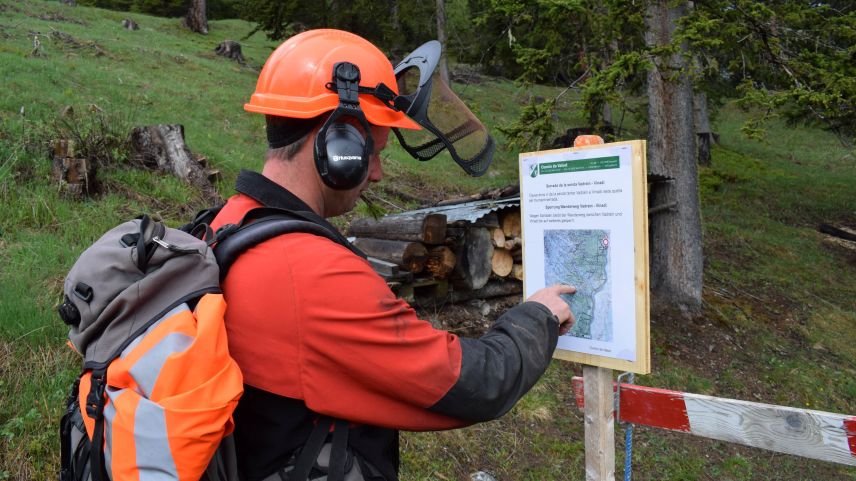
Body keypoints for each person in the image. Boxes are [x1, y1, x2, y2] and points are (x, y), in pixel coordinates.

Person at [209, 29, 576, 481]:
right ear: (338, 147)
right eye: (374, 153)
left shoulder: (231, 221)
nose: (378, 174)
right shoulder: (311, 274)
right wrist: (536, 316)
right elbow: (475, 385)